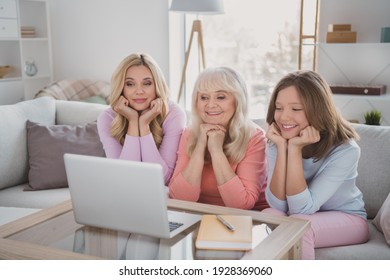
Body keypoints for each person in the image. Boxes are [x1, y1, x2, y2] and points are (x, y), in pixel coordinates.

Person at [263, 70, 369, 259]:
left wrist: (294, 150)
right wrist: (282, 148)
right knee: (268, 214)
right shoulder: (277, 140)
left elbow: (301, 210)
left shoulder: (346, 150)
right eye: (279, 108)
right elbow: (277, 205)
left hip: (347, 218)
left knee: (299, 227)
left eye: (296, 109)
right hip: (300, 216)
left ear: (317, 110)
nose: (284, 117)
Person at [169, 66, 268, 210]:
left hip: (248, 219)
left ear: (237, 101)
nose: (210, 105)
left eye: (220, 97)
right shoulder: (190, 133)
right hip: (200, 214)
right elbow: (179, 198)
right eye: (204, 97)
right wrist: (200, 146)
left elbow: (241, 204)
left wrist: (216, 151)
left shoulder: (255, 137)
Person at [97, 53, 186, 185]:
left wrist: (144, 125)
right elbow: (125, 178)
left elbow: (162, 179)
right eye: (130, 84)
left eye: (147, 83)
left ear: (157, 85)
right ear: (121, 87)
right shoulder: (107, 118)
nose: (139, 91)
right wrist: (133, 121)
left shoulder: (174, 114)